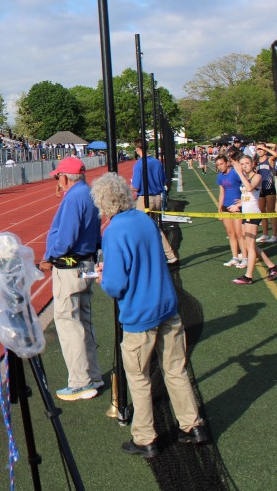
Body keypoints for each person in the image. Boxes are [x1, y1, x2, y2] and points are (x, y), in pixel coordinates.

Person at [90, 173, 209, 458]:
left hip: (140, 313)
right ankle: (192, 425)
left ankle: (145, 437)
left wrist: (103, 278)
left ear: (103, 202)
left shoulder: (114, 231)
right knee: (176, 369)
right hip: (166, 305)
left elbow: (116, 284)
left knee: (139, 377)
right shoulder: (144, 220)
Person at [39, 156, 102, 401]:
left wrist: (49, 256)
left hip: (70, 266)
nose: (58, 181)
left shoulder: (74, 198)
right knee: (84, 320)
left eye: (58, 177)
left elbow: (66, 237)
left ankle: (80, 382)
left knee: (69, 322)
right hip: (86, 262)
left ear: (65, 177)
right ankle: (93, 375)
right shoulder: (89, 193)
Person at [229, 155, 277, 284]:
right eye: (242, 164)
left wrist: (239, 173)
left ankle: (248, 276)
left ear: (252, 164)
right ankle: (272, 266)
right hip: (246, 213)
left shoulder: (256, 176)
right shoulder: (245, 177)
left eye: (247, 163)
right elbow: (249, 196)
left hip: (253, 214)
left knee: (250, 246)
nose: (244, 166)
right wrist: (239, 204)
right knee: (249, 245)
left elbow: (250, 188)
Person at [131, 143, 179, 265]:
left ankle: (145, 257)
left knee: (141, 228)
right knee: (154, 228)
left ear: (137, 149)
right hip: (158, 198)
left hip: (145, 198)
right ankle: (168, 255)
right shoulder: (157, 162)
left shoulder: (139, 164)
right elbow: (163, 180)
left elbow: (136, 186)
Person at [216, 154, 246, 269]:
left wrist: (242, 202)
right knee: (231, 233)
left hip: (236, 208)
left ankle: (245, 258)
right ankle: (235, 257)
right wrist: (219, 210)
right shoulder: (220, 176)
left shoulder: (235, 173)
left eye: (221, 164)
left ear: (227, 163)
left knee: (239, 234)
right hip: (226, 208)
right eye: (218, 165)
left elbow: (245, 187)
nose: (220, 166)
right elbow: (221, 193)